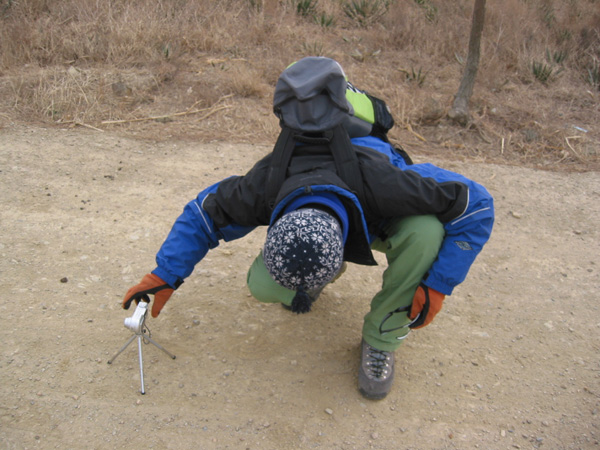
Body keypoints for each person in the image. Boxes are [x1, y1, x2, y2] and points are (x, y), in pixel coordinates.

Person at [122, 57, 494, 400]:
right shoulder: (266, 183)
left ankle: (382, 337)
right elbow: (202, 215)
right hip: (335, 217)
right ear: (275, 219)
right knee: (263, 286)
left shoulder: (386, 181)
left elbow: (478, 205)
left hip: (374, 213)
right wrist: (165, 273)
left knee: (426, 231)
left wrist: (437, 285)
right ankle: (314, 272)